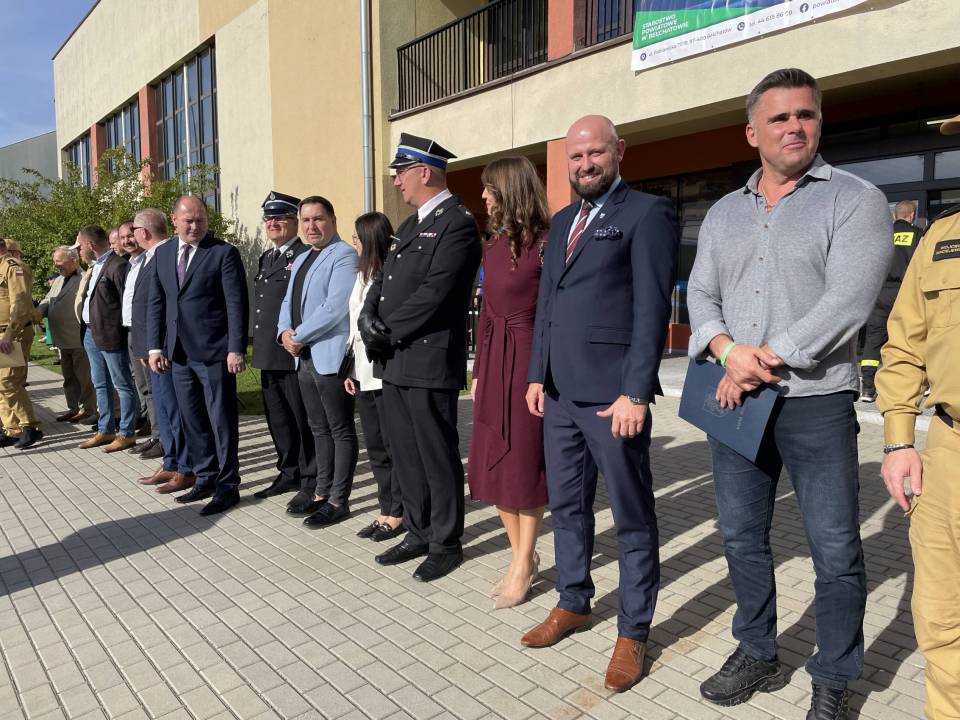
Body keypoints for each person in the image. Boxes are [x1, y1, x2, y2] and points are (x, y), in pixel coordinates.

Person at [686, 69, 892, 719]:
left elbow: (848, 303)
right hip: (737, 401)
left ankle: (833, 676)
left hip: (817, 402)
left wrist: (761, 358)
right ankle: (757, 651)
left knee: (835, 549)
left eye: (806, 114)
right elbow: (701, 294)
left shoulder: (854, 200)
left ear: (820, 122)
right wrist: (727, 352)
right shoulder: (724, 212)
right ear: (753, 132)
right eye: (779, 117)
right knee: (741, 536)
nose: (795, 126)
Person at [521, 116, 678, 693]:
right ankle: (573, 600)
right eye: (576, 156)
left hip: (614, 398)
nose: (585, 164)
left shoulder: (647, 213)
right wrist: (537, 374)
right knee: (567, 507)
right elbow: (548, 302)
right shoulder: (564, 220)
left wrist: (636, 391)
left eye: (595, 153)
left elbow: (652, 309)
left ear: (619, 152)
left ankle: (634, 631)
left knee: (632, 515)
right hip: (560, 394)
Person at [359, 133, 482, 582]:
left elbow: (436, 293)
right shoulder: (410, 224)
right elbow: (383, 280)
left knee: (435, 454)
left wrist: (386, 333)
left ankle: (445, 542)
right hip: (395, 360)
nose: (396, 182)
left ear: (424, 172)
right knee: (405, 452)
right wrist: (367, 316)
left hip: (428, 360)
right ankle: (417, 530)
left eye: (401, 173)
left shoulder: (458, 224)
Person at [876, 111, 960, 720]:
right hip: (948, 453)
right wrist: (899, 441)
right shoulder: (941, 238)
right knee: (940, 618)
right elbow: (904, 346)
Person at [468, 156, 550, 609]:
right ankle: (523, 556)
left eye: (490, 188)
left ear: (511, 190)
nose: (483, 196)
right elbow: (485, 315)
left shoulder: (546, 244)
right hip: (495, 359)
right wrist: (479, 372)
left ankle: (521, 564)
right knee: (494, 462)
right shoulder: (494, 245)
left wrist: (542, 373)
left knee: (523, 463)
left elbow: (553, 316)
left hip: (527, 362)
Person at [147, 196, 249, 516]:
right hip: (177, 354)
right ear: (174, 221)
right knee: (192, 418)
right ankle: (205, 477)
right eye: (188, 220)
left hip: (214, 352)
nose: (195, 226)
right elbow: (157, 302)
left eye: (200, 220)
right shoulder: (163, 253)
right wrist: (155, 347)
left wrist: (236, 348)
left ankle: (228, 485)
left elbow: (236, 304)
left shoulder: (223, 253)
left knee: (221, 421)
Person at [277, 196, 358, 527]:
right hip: (305, 357)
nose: (311, 226)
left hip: (329, 355)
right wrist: (283, 333)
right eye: (306, 220)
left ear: (333, 220)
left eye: (318, 219)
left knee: (339, 429)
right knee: (317, 428)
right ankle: (321, 492)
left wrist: (298, 336)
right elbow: (287, 301)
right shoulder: (302, 258)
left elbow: (335, 307)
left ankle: (339, 500)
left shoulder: (344, 255)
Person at [251, 191, 316, 504]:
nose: (272, 223)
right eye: (268, 218)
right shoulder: (268, 257)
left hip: (292, 353)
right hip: (268, 352)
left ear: (294, 222)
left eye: (280, 218)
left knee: (301, 420)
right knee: (278, 420)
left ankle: (310, 477)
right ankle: (288, 472)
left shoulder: (304, 255)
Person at [345, 212, 402, 542]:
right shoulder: (361, 275)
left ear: (369, 240)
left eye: (356, 237)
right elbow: (354, 327)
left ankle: (399, 512)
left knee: (392, 445)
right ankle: (386, 508)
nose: (353, 242)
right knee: (376, 446)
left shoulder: (389, 274)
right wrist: (350, 371)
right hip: (362, 372)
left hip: (382, 373)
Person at [129, 208, 195, 495]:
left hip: (166, 350)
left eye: (133, 230)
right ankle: (171, 461)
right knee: (164, 410)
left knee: (175, 411)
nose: (131, 236)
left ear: (143, 231)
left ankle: (185, 467)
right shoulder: (148, 257)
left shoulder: (168, 255)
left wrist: (158, 347)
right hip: (152, 349)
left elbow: (167, 308)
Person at [74, 225, 139, 453]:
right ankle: (106, 429)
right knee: (100, 384)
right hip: (91, 334)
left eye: (80, 246)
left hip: (111, 336)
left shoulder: (117, 265)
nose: (79, 251)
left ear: (90, 245)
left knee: (122, 384)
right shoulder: (96, 266)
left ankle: (127, 433)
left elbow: (126, 303)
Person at [859, 199, 923, 402]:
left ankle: (867, 388)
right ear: (912, 216)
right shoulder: (917, 234)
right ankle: (910, 385)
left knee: (873, 339)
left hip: (879, 293)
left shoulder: (881, 235)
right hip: (905, 293)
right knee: (910, 337)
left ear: (894, 215)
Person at [37, 246, 97, 424]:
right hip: (62, 339)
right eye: (54, 261)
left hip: (77, 338)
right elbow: (48, 299)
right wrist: (37, 313)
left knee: (84, 378)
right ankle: (73, 408)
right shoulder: (59, 279)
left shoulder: (84, 278)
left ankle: (89, 410)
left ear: (73, 260)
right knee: (69, 378)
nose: (56, 265)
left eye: (59, 261)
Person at [119, 220, 160, 457]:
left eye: (130, 235)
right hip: (131, 331)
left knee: (153, 388)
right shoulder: (131, 264)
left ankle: (161, 437)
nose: (127, 241)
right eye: (123, 237)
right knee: (143, 387)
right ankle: (155, 434)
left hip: (145, 332)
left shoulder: (151, 259)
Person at [0, 238, 43, 449]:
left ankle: (30, 427)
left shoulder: (13, 267)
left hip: (11, 333)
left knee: (9, 381)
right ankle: (13, 429)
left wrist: (9, 335)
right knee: (1, 384)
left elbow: (20, 303)